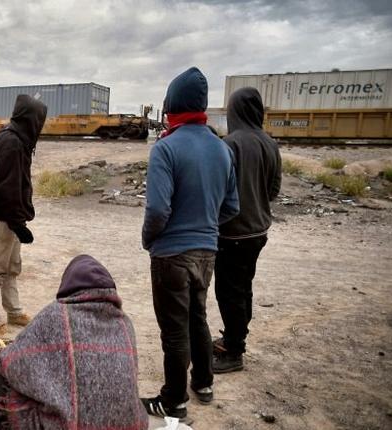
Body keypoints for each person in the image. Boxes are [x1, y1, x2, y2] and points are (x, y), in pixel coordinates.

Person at [140, 67, 240, 419]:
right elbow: (232, 206)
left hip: (171, 253)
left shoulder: (166, 148)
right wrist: (205, 227)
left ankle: (173, 400)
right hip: (207, 253)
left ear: (172, 105)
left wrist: (150, 238)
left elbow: (156, 209)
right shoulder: (221, 148)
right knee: (198, 315)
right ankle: (204, 382)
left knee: (174, 329)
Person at [0, 255, 149, 430]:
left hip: (70, 425)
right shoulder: (124, 323)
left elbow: (10, 361)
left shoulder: (56, 315)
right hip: (130, 425)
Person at [213, 87, 282, 373]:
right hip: (258, 232)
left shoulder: (230, 144)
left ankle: (233, 352)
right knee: (244, 288)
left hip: (232, 233)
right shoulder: (270, 143)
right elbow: (274, 190)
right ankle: (234, 337)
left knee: (228, 291)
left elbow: (220, 192)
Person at [0, 94, 47, 339]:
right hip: (1, 217)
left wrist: (18, 221)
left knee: (11, 268)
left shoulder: (17, 139)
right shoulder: (12, 143)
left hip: (9, 216)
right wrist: (18, 224)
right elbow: (7, 189)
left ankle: (14, 311)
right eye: (39, 120)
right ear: (30, 119)